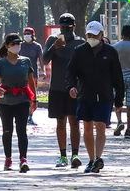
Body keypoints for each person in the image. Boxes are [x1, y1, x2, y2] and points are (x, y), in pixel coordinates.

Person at [67, 21, 124, 174]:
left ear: (101, 35)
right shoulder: (79, 51)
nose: (91, 37)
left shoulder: (111, 52)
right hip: (85, 95)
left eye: (94, 35)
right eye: (89, 35)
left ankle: (98, 158)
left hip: (104, 96)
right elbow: (71, 72)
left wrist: (119, 99)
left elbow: (117, 77)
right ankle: (91, 160)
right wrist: (71, 86)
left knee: (100, 126)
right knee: (87, 127)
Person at [43, 12, 84, 169]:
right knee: (60, 122)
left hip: (74, 88)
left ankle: (75, 155)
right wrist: (54, 48)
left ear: (74, 26)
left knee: (74, 122)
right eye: (62, 26)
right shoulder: (53, 40)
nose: (65, 29)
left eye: (68, 26)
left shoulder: (80, 42)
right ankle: (62, 156)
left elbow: (84, 66)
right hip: (57, 88)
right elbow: (45, 60)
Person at [0, 32, 37, 173]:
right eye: (13, 44)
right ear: (7, 46)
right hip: (5, 101)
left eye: (18, 44)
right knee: (7, 131)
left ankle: (23, 159)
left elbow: (31, 81)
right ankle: (8, 159)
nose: (17, 46)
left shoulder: (26, 61)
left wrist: (34, 99)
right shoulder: (1, 63)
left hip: (22, 100)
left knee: (21, 130)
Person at [17, 26, 43, 125]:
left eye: (29, 34)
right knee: (21, 95)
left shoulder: (37, 46)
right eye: (25, 34)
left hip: (33, 75)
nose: (27, 35)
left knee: (32, 96)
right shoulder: (20, 45)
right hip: (21, 74)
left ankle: (30, 115)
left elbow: (41, 59)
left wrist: (43, 71)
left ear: (33, 35)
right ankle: (21, 116)